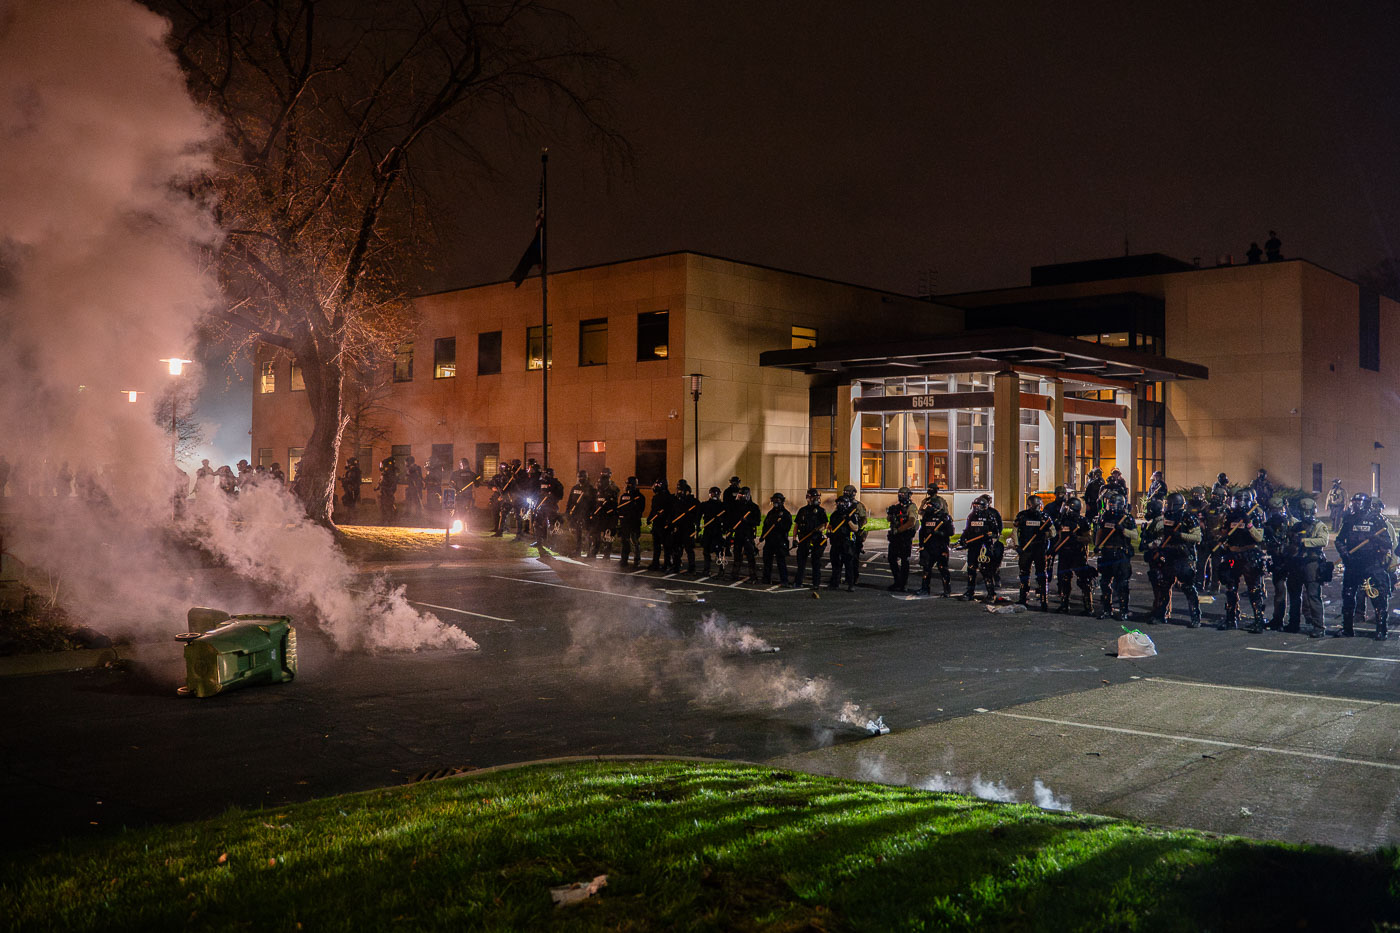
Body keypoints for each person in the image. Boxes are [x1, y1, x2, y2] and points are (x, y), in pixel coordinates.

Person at [1335, 493, 1393, 639]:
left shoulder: (1376, 520)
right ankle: (1347, 628)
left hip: (1371, 563)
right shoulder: (1349, 519)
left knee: (1377, 595)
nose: (1356, 504)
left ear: (1366, 503)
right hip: (1353, 563)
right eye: (1354, 502)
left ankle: (1381, 630)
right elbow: (1339, 540)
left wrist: (1376, 537)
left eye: (1359, 502)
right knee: (1348, 595)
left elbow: (1388, 543)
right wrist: (1344, 554)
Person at [1141, 492, 1202, 627]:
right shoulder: (1167, 517)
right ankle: (1161, 614)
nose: (1167, 506)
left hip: (1183, 556)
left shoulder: (1188, 517)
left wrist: (1180, 535)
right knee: (1164, 585)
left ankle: (1195, 617)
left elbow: (1197, 538)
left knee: (1188, 587)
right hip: (1169, 555)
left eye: (1169, 504)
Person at [1216, 489, 1267, 631]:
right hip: (1233, 555)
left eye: (1240, 500)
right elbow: (1225, 531)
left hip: (1248, 555)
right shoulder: (1231, 515)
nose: (1237, 503)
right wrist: (1223, 536)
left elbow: (1259, 538)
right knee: (1231, 588)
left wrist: (1249, 524)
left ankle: (1258, 620)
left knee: (1254, 589)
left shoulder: (1255, 514)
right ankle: (1231, 618)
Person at [1285, 498, 1330, 638]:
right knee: (1294, 595)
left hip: (1312, 563)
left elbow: (1324, 541)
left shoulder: (1319, 525)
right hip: (1297, 564)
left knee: (1313, 596)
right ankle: (1294, 623)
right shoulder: (1297, 526)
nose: (1306, 514)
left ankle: (1319, 626)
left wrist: (1305, 541)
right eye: (1303, 511)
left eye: (1308, 511)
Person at [1092, 490, 1138, 621]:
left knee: (1122, 583)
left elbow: (1135, 535)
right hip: (1107, 552)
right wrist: (1097, 544)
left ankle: (1124, 610)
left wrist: (1123, 530)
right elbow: (1100, 532)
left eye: (1114, 504)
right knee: (1105, 582)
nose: (1112, 506)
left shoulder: (1127, 518)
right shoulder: (1104, 516)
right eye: (1110, 504)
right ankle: (1107, 609)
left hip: (1120, 553)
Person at [1052, 496, 1096, 615]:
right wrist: (1053, 549)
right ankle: (1064, 604)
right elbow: (1060, 537)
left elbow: (1088, 538)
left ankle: (1089, 607)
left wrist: (1077, 538)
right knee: (1064, 580)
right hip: (1065, 553)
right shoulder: (1063, 521)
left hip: (1078, 553)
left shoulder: (1082, 522)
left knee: (1084, 580)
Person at [1013, 494, 1055, 609]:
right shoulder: (1022, 516)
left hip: (1039, 548)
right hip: (1026, 548)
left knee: (1041, 574)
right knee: (1024, 573)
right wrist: (1017, 546)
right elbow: (1015, 530)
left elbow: (1053, 532)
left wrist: (1046, 533)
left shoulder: (1045, 517)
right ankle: (1023, 598)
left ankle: (1043, 600)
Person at [959, 494, 1004, 602]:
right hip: (973, 546)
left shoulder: (990, 516)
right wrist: (962, 539)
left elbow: (996, 531)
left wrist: (991, 535)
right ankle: (970, 592)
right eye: (975, 505)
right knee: (971, 568)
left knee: (986, 570)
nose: (976, 508)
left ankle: (991, 593)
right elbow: (967, 529)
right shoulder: (971, 516)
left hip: (984, 546)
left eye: (978, 505)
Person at [1262, 496, 1294, 631]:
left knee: (1293, 592)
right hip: (1278, 560)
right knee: (1280, 591)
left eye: (1277, 509)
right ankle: (1278, 619)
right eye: (1273, 509)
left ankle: (1294, 621)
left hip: (1290, 561)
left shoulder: (1291, 523)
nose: (1276, 512)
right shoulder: (1269, 524)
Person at [917, 491, 955, 597]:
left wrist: (939, 533)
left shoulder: (944, 518)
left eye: (930, 505)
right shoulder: (926, 517)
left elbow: (950, 532)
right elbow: (922, 532)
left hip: (940, 546)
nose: (928, 507)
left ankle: (947, 590)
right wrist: (921, 545)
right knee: (926, 569)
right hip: (929, 547)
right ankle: (925, 588)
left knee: (943, 568)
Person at [826, 485, 863, 591]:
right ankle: (835, 583)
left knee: (849, 565)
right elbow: (830, 526)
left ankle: (850, 584)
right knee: (836, 564)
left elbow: (855, 528)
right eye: (839, 503)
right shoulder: (834, 515)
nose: (840, 505)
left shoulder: (850, 515)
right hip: (836, 542)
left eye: (842, 503)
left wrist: (848, 521)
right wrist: (829, 533)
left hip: (846, 543)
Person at [793, 488, 828, 588]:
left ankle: (816, 583)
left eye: (817, 497)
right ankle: (798, 582)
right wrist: (794, 538)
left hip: (816, 539)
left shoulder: (821, 511)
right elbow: (796, 525)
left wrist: (819, 529)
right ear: (808, 498)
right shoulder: (802, 511)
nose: (815, 499)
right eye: (813, 497)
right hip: (804, 539)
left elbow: (825, 524)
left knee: (816, 562)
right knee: (801, 562)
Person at [885, 486, 918, 592]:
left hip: (905, 537)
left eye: (903, 495)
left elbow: (911, 522)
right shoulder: (897, 507)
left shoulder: (911, 507)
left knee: (905, 561)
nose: (901, 496)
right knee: (891, 559)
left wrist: (899, 530)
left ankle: (903, 584)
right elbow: (890, 520)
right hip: (895, 538)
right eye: (900, 495)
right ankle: (897, 581)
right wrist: (890, 514)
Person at [729, 486, 761, 582]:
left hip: (748, 534)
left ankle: (753, 576)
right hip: (738, 534)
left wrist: (747, 520)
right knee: (737, 555)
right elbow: (731, 518)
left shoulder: (753, 507)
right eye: (740, 495)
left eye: (743, 495)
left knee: (750, 556)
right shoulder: (736, 506)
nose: (741, 497)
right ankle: (735, 574)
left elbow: (757, 522)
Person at [760, 492, 792, 585]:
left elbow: (787, 527)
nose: (775, 502)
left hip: (780, 541)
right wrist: (763, 535)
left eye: (778, 500)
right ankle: (766, 578)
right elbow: (765, 526)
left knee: (781, 562)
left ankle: (784, 580)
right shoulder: (771, 513)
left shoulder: (785, 514)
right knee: (767, 561)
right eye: (774, 500)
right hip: (769, 541)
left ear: (782, 501)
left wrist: (779, 526)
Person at [668, 479, 699, 572]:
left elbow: (697, 515)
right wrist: (671, 524)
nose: (680, 492)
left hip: (688, 527)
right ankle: (676, 565)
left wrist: (696, 525)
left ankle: (691, 567)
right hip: (678, 527)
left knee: (689, 548)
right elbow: (672, 513)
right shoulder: (675, 500)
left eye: (681, 490)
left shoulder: (693, 502)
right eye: (679, 490)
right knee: (676, 548)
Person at [565, 470, 596, 558]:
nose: (580, 479)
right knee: (577, 534)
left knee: (588, 535)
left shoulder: (591, 489)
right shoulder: (574, 488)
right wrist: (568, 512)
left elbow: (594, 504)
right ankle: (577, 551)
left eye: (582, 477)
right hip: (576, 515)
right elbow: (570, 501)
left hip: (586, 515)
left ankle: (590, 553)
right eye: (579, 477)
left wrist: (591, 515)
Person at [616, 476, 645, 568]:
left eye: (630, 484)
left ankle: (637, 560)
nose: (628, 486)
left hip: (633, 523)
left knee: (634, 541)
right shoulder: (624, 496)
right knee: (624, 541)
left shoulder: (639, 497)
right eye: (627, 484)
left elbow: (640, 510)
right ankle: (624, 559)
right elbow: (620, 508)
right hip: (624, 523)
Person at [700, 486, 728, 576]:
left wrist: (723, 524)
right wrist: (698, 525)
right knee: (706, 551)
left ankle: (721, 569)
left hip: (717, 530)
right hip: (708, 530)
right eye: (713, 493)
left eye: (716, 493)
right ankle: (706, 569)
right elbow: (699, 514)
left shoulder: (722, 506)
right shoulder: (705, 505)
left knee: (718, 551)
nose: (714, 495)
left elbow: (726, 518)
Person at [646, 479, 673, 571]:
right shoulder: (655, 497)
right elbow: (653, 510)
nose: (656, 486)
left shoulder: (668, 497)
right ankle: (655, 563)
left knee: (666, 545)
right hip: (656, 524)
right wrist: (649, 518)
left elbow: (670, 511)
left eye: (658, 484)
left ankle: (667, 563)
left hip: (664, 524)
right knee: (656, 545)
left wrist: (668, 521)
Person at [587, 478, 618, 558]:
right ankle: (593, 553)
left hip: (607, 518)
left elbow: (614, 507)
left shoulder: (611, 493)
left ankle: (606, 555)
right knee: (594, 536)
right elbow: (592, 505)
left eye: (600, 483)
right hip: (597, 518)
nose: (598, 485)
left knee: (607, 537)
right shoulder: (596, 493)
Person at [375, 457, 398, 523]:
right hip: (384, 492)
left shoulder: (390, 474)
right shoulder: (385, 474)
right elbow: (381, 482)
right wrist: (377, 487)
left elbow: (390, 483)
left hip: (387, 492)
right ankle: (384, 520)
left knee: (388, 506)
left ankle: (390, 520)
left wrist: (388, 490)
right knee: (382, 506)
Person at [403, 456, 423, 520]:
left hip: (415, 487)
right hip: (411, 487)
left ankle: (418, 515)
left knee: (416, 500)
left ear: (409, 462)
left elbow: (418, 477)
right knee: (409, 501)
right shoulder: (410, 468)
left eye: (406, 462)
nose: (405, 463)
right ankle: (408, 513)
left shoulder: (415, 468)